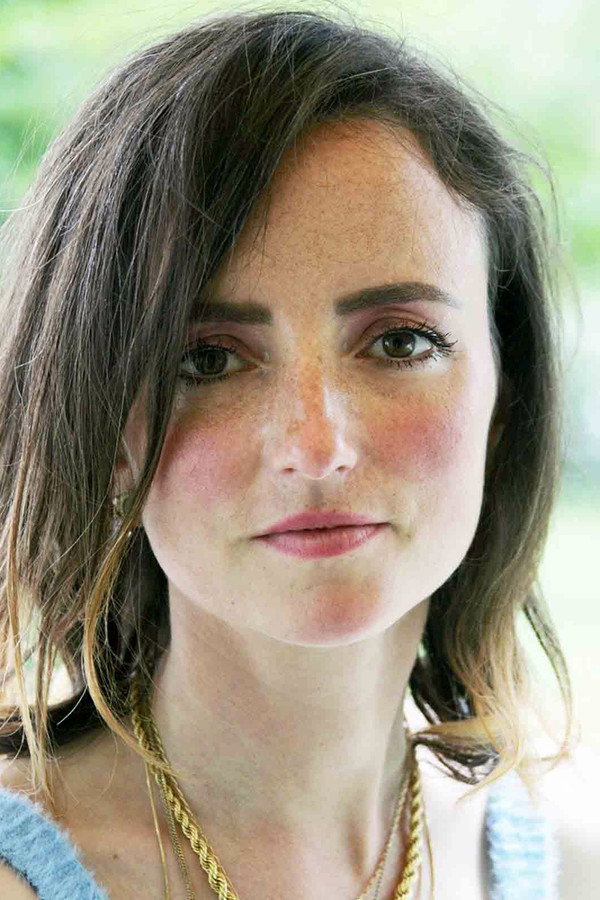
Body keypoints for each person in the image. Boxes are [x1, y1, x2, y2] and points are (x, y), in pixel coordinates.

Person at [0, 7, 594, 899]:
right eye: (208, 359)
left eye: (400, 343)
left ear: (506, 398)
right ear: (101, 427)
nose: (317, 448)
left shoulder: (567, 873)